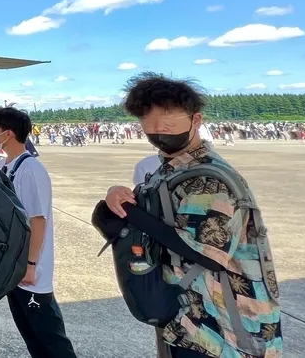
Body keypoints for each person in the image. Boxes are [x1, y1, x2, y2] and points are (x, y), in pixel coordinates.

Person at [104, 74, 282, 358]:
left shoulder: (210, 180)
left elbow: (205, 252)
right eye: (150, 129)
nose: (161, 134)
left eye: (169, 126)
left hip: (222, 330)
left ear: (196, 120)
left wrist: (129, 215)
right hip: (189, 319)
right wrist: (118, 193)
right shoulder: (172, 169)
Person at [0, 107, 76, 358]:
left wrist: (30, 264)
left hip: (30, 272)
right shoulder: (7, 166)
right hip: (14, 269)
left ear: (8, 134)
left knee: (50, 337)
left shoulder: (31, 170)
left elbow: (38, 221)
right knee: (31, 335)